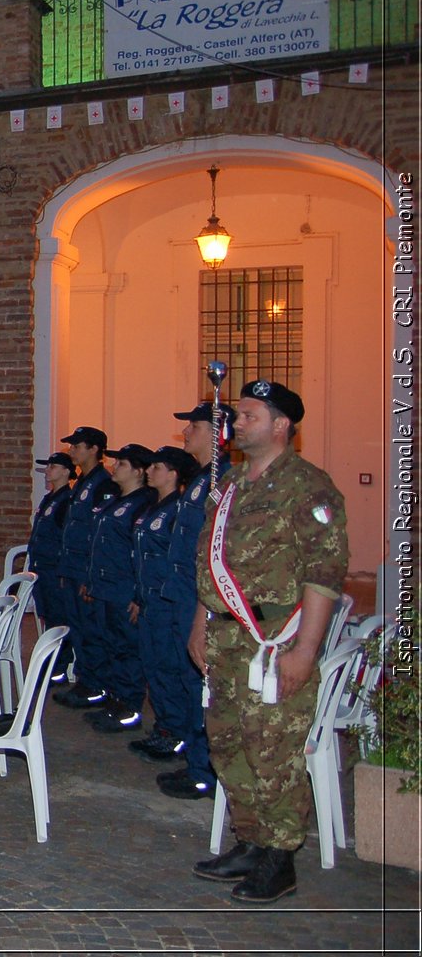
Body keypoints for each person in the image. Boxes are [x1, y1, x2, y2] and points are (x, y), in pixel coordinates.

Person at [189, 380, 347, 904]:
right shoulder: (232, 483)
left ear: (281, 424)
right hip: (226, 640)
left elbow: (324, 573)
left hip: (274, 641)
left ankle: (280, 859)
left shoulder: (309, 487)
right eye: (238, 413)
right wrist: (199, 623)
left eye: (249, 414)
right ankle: (252, 840)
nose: (237, 422)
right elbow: (211, 562)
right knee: (230, 745)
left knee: (274, 752)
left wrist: (305, 651)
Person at [155, 401, 235, 799]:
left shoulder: (223, 479)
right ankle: (194, 758)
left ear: (216, 433)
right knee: (186, 679)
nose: (186, 433)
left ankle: (205, 769)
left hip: (199, 596)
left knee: (199, 682)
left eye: (194, 427)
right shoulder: (201, 480)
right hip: (183, 590)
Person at [130, 444, 200, 762]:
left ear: (173, 473)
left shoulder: (177, 509)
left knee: (169, 668)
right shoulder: (154, 507)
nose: (149, 471)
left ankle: (176, 732)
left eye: (157, 467)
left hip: (167, 601)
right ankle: (165, 727)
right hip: (149, 599)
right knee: (154, 666)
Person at [81, 443, 156, 734]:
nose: (115, 468)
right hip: (105, 584)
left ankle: (129, 706)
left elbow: (138, 552)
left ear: (139, 471)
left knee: (126, 648)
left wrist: (137, 594)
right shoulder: (115, 499)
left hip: (123, 586)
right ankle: (114, 698)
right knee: (109, 643)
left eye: (122, 464)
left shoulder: (144, 502)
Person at [51, 426, 120, 709]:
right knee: (78, 628)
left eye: (78, 446)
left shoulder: (103, 483)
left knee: (92, 631)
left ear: (94, 449)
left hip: (86, 570)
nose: (72, 450)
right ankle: (85, 680)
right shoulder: (82, 482)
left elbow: (97, 533)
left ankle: (95, 684)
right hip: (72, 566)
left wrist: (90, 575)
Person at [27, 453, 76, 682]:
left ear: (66, 471)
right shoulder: (51, 498)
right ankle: (53, 661)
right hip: (42, 567)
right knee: (48, 615)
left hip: (54, 568)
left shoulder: (67, 500)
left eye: (53, 467)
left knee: (59, 616)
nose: (48, 471)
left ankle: (59, 665)